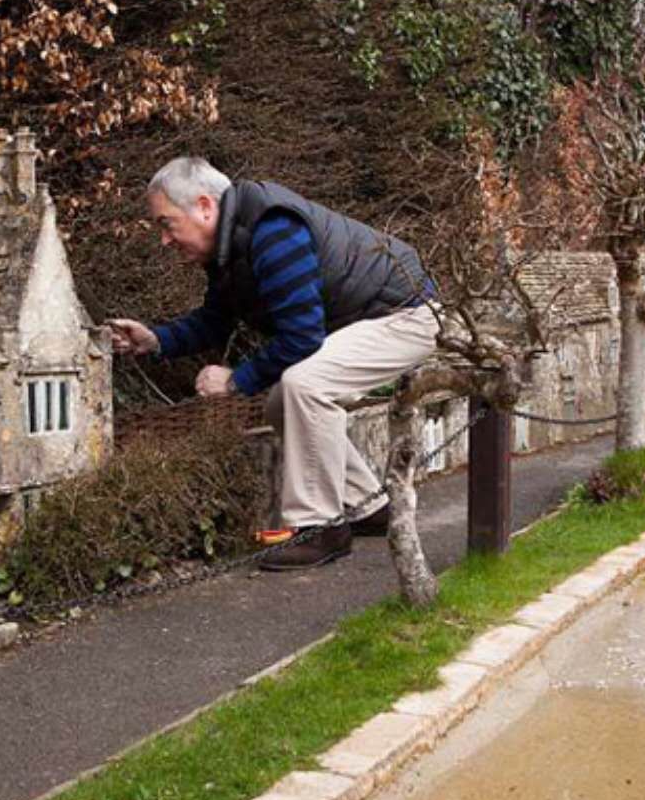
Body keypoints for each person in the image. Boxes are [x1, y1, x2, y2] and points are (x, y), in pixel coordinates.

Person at [107, 157, 438, 571]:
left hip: (408, 313)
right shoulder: (233, 247)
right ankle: (368, 506)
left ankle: (320, 528)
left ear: (205, 207)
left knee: (305, 384)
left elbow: (301, 337)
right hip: (374, 317)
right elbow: (214, 321)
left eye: (166, 223)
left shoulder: (273, 229)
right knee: (283, 401)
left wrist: (235, 380)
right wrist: (155, 340)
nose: (164, 240)